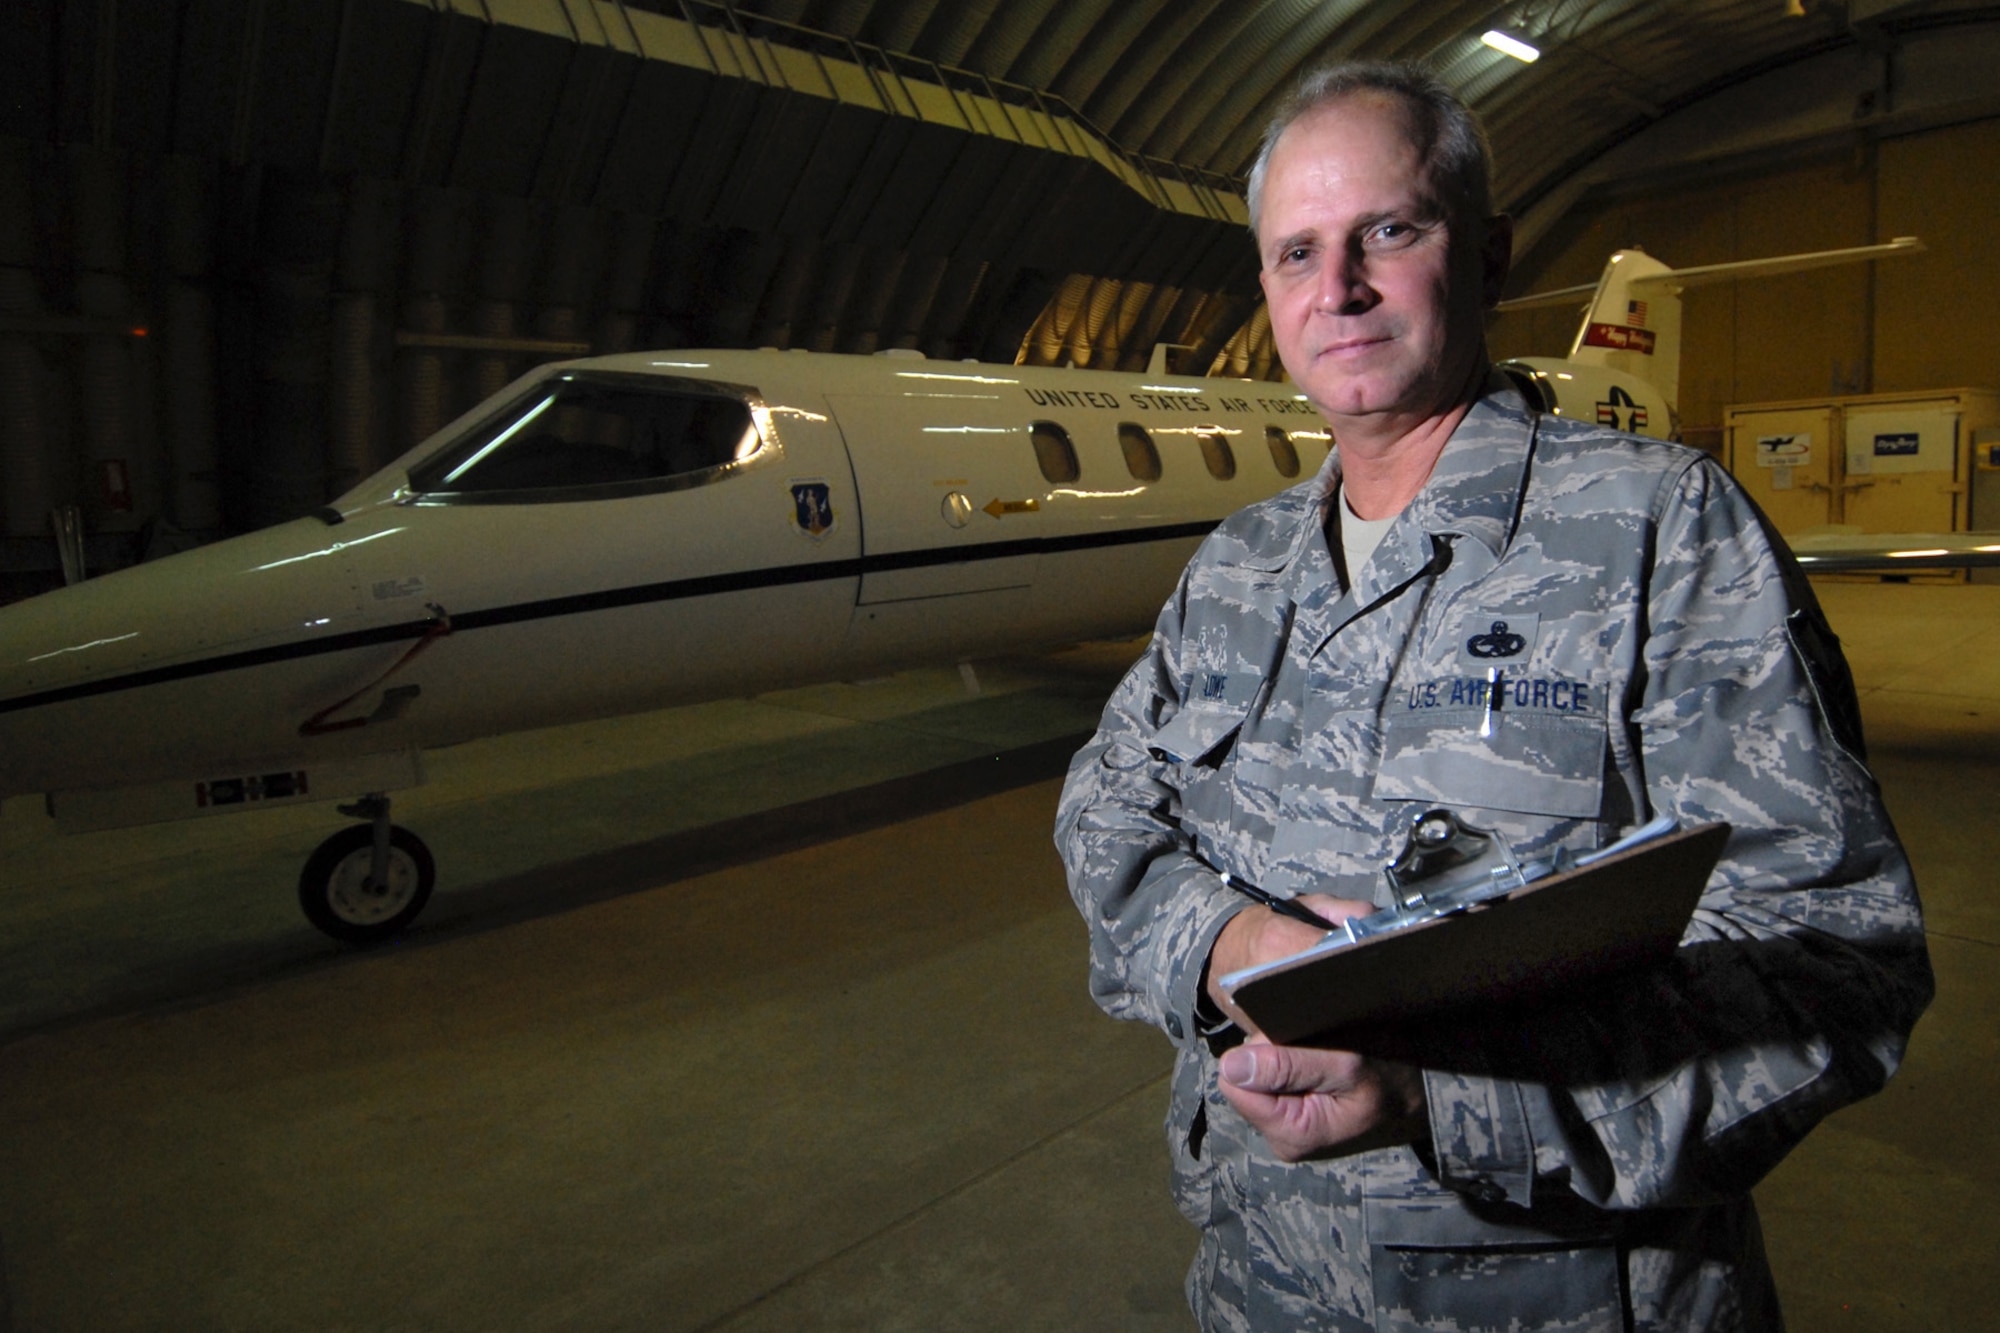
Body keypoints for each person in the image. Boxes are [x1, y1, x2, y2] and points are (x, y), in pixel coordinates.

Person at [1055, 60, 1932, 1332]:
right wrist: (1233, 945)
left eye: (1387, 232)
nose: (1337, 289)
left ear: (1489, 254)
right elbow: (1102, 811)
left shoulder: (1658, 530)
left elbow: (1835, 963)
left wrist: (1434, 1093)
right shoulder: (1238, 568)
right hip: (1266, 1289)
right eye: (1294, 252)